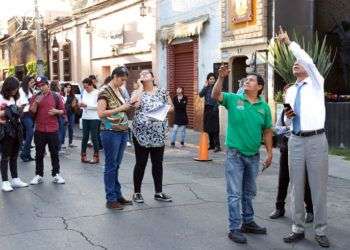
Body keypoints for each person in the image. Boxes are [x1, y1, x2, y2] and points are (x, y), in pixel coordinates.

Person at [278, 28, 330, 248]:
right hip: (295, 139)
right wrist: (289, 119)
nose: (295, 64)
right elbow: (287, 121)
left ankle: (320, 230)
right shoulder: (290, 91)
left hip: (316, 140)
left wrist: (289, 43)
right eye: (293, 64)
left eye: (298, 63)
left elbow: (306, 58)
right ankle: (297, 228)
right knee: (296, 187)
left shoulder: (317, 83)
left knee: (318, 188)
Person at [212, 67, 273, 244]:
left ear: (259, 87)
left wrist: (269, 153)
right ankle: (234, 228)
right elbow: (215, 95)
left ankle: (248, 222)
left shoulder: (264, 107)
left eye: (251, 80)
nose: (247, 81)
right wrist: (220, 78)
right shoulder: (234, 98)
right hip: (235, 155)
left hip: (253, 156)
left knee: (249, 192)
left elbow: (267, 131)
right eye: (246, 79)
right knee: (234, 194)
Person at [270, 86, 314, 223]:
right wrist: (287, 128)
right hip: (286, 147)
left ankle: (310, 210)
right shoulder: (285, 110)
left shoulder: (305, 109)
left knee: (304, 179)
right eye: (286, 94)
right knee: (283, 178)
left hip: (302, 148)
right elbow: (276, 128)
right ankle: (279, 208)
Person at [131, 70, 174, 203]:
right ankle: (137, 193)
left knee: (157, 163)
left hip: (158, 133)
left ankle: (158, 192)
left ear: (153, 77)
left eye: (147, 74)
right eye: (142, 74)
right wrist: (139, 87)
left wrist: (161, 110)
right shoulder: (138, 92)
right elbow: (134, 104)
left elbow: (171, 107)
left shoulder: (162, 91)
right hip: (141, 134)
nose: (144, 75)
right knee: (141, 163)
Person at [97, 66, 133, 210]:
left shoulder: (120, 90)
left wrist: (128, 105)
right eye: (122, 80)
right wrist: (121, 108)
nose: (123, 83)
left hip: (122, 131)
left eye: (125, 80)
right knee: (111, 166)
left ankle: (117, 195)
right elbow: (101, 113)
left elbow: (123, 107)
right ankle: (110, 199)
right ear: (115, 77)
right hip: (110, 131)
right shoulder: (104, 91)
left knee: (116, 166)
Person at [29, 76, 66, 185]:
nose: (41, 87)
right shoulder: (35, 96)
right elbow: (32, 112)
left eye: (43, 85)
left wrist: (56, 111)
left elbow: (63, 111)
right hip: (39, 130)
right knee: (39, 154)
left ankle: (56, 174)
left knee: (54, 153)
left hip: (53, 129)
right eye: (39, 86)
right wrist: (36, 102)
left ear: (48, 85)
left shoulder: (56, 96)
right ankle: (38, 175)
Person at [0, 77, 28, 192]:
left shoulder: (16, 97)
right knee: (5, 156)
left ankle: (15, 179)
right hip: (5, 128)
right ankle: (5, 181)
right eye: (13, 89)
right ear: (8, 87)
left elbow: (21, 110)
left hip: (17, 127)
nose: (15, 91)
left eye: (16, 89)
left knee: (14, 155)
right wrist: (7, 111)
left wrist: (19, 109)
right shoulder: (1, 97)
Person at [199, 73, 221, 152]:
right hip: (207, 108)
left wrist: (215, 108)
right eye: (210, 79)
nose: (212, 80)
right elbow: (200, 95)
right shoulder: (206, 88)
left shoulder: (217, 87)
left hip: (214, 109)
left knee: (215, 128)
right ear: (208, 80)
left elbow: (218, 99)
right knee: (207, 128)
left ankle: (217, 146)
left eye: (213, 79)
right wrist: (204, 87)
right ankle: (211, 145)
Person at [80, 78, 100, 164]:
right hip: (85, 117)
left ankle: (96, 156)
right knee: (84, 137)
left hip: (95, 118)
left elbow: (98, 106)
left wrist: (86, 105)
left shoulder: (97, 93)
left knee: (94, 137)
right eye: (84, 87)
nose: (85, 89)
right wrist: (80, 104)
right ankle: (83, 155)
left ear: (91, 85)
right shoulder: (84, 92)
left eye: (87, 87)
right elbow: (83, 103)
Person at [19, 75, 35, 162]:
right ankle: (24, 153)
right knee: (30, 133)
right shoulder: (21, 91)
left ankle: (27, 154)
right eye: (31, 82)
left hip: (30, 114)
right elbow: (23, 104)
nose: (33, 83)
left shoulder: (30, 90)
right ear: (26, 82)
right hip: (24, 114)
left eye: (33, 82)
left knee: (28, 134)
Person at [63, 83, 78, 148]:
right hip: (64, 114)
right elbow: (63, 104)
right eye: (67, 87)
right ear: (64, 88)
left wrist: (75, 103)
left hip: (71, 113)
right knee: (63, 128)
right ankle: (62, 143)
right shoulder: (62, 95)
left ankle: (70, 142)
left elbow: (74, 104)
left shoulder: (72, 95)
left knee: (71, 128)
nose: (69, 88)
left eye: (70, 87)